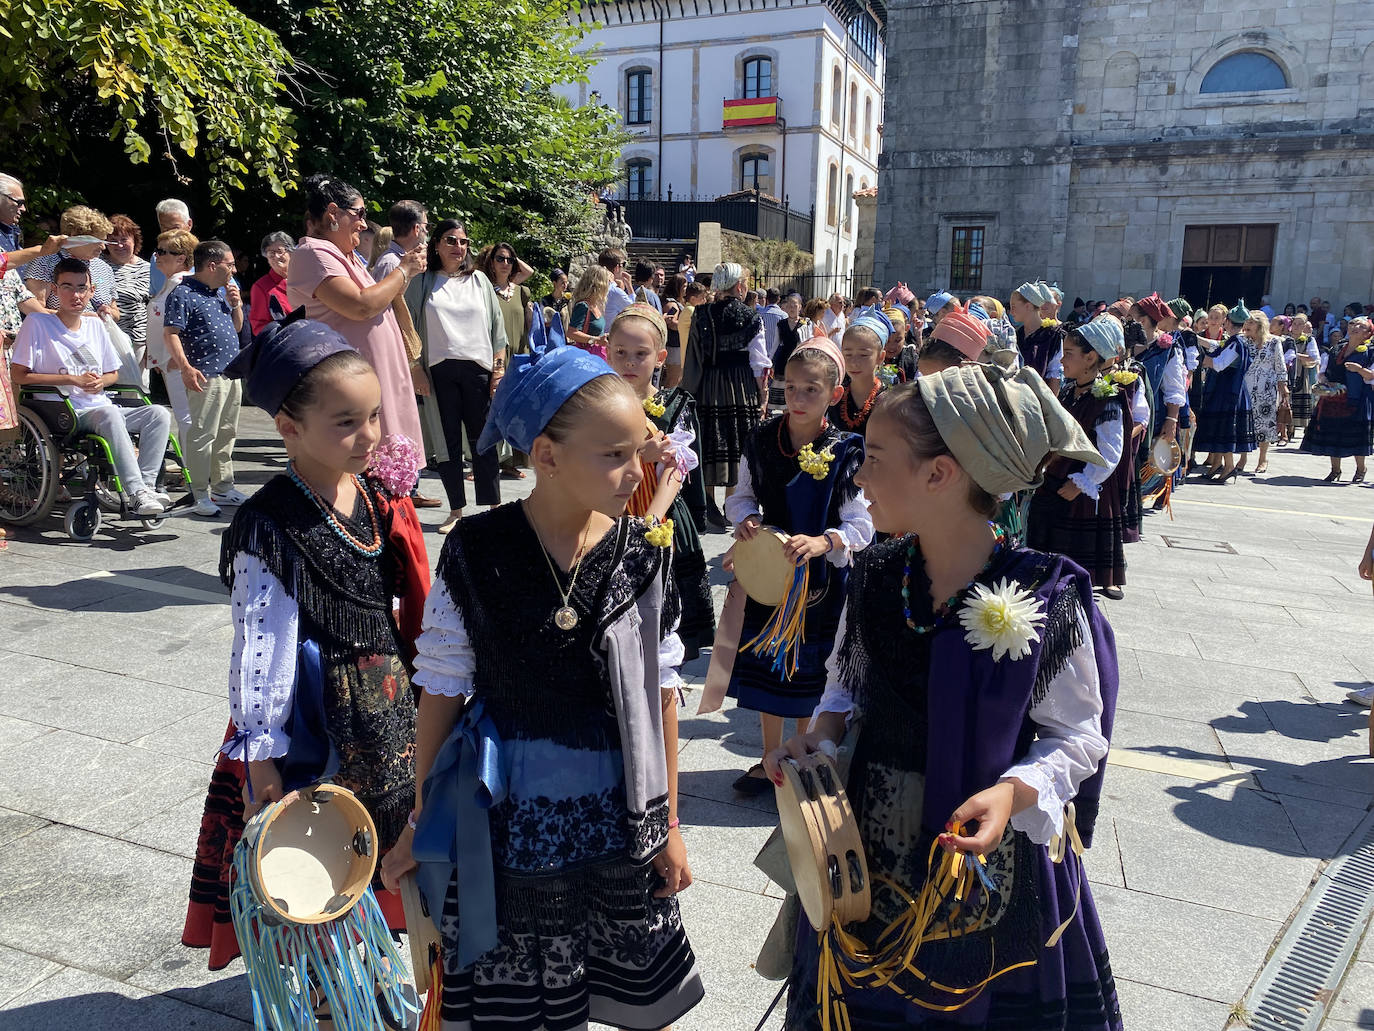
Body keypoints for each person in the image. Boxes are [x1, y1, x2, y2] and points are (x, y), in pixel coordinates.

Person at [764, 361, 1120, 1031]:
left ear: (939, 473)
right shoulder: (875, 574)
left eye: (872, 457)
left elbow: (1077, 735)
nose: (859, 476)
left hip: (986, 859)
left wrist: (1012, 792)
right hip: (869, 854)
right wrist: (822, 734)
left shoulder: (1044, 593)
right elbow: (847, 684)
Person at [381, 344, 704, 1030]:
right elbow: (440, 689)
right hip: (508, 811)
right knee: (518, 997)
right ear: (547, 456)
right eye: (612, 454)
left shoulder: (641, 554)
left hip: (615, 810)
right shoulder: (479, 548)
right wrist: (419, 817)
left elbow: (660, 698)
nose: (633, 471)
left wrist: (670, 824)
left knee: (607, 973)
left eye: (637, 451)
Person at [181, 315, 430, 977]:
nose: (368, 434)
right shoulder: (269, 522)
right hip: (317, 715)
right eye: (346, 421)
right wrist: (262, 755)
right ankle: (324, 989)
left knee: (384, 835)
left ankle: (371, 958)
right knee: (321, 844)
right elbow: (261, 639)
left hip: (386, 701)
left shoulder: (375, 494)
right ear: (289, 427)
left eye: (374, 416)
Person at [719, 338, 872, 794]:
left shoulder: (846, 450)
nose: (798, 398)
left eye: (811, 390)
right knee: (771, 667)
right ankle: (769, 758)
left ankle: (802, 758)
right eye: (791, 387)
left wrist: (825, 540)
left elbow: (861, 522)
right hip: (771, 578)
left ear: (835, 395)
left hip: (820, 582)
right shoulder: (763, 439)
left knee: (808, 673)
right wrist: (746, 518)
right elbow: (743, 493)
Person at [9, 257, 173, 515]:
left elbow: (112, 373)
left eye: (81, 287)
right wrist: (71, 379)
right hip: (61, 411)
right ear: (54, 289)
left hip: (100, 406)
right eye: (67, 287)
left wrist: (101, 381)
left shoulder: (96, 325)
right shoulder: (38, 324)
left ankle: (146, 487)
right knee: (108, 414)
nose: (75, 294)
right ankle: (136, 491)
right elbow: (19, 375)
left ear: (91, 291)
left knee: (159, 414)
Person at [286, 174, 427, 474]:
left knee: (389, 481)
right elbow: (361, 305)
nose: (364, 224)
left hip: (376, 380)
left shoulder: (346, 256)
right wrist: (404, 269)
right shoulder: (312, 252)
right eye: (360, 214)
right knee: (366, 479)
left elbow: (376, 301)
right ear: (333, 214)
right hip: (350, 385)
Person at [606, 303, 715, 658]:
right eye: (621, 352)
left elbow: (676, 468)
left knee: (662, 624)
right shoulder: (596, 402)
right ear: (607, 348)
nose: (630, 362)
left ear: (660, 357)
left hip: (659, 519)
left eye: (641, 353)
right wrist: (639, 454)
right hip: (607, 515)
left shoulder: (675, 405)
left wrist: (651, 521)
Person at [403, 218, 508, 534]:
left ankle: (493, 508)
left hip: (479, 370)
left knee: (483, 440)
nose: (458, 247)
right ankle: (456, 511)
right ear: (436, 244)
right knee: (446, 443)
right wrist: (416, 368)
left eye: (462, 241)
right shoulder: (423, 282)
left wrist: (498, 371)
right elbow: (406, 327)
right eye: (450, 240)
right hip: (439, 371)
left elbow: (497, 330)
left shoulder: (479, 281)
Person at [1027, 317, 1133, 598]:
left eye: (1069, 354)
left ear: (1091, 358)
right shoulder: (1069, 391)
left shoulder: (1106, 398)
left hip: (1077, 487)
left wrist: (1083, 482)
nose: (1062, 360)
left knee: (1075, 550)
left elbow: (1111, 451)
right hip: (1055, 479)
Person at [163, 240, 246, 517]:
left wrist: (236, 305)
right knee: (203, 434)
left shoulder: (218, 292)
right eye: (230, 264)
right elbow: (171, 333)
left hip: (230, 372)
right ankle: (199, 493)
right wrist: (185, 367)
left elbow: (235, 328)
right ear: (212, 265)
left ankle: (223, 487)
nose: (233, 269)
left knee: (226, 433)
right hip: (205, 374)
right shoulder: (183, 293)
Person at [683, 262, 771, 508]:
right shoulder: (751, 316)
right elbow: (759, 361)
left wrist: (690, 389)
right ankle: (732, 501)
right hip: (741, 385)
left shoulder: (701, 314)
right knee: (738, 440)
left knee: (711, 437)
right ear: (740, 286)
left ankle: (709, 500)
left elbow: (694, 357)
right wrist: (762, 395)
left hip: (709, 384)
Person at [1303, 315, 1374, 482]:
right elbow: (1324, 371)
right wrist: (1324, 382)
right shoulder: (1337, 348)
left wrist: (1359, 369)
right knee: (1333, 433)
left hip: (1357, 398)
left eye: (1361, 326)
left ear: (1367, 334)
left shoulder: (1370, 351)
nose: (1355, 327)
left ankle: (1360, 469)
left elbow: (1371, 376)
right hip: (1334, 397)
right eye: (1353, 324)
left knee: (1355, 435)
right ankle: (1335, 470)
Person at [1193, 301, 1257, 483]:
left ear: (1228, 322)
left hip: (1228, 390)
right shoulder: (1235, 341)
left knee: (1225, 427)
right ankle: (1217, 464)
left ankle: (1229, 466)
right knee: (1221, 426)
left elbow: (1220, 364)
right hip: (1226, 388)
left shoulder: (1237, 343)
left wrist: (1202, 358)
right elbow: (1217, 347)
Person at [144, 229, 199, 430]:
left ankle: (191, 461)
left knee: (187, 419)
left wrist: (179, 360)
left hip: (178, 362)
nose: (156, 255)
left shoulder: (182, 284)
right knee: (185, 418)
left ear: (181, 258)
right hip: (170, 361)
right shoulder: (172, 283)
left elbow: (188, 325)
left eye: (162, 251)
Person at [24, 207, 119, 319]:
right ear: (76, 238)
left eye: (104, 241)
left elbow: (116, 312)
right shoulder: (45, 261)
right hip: (59, 333)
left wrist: (109, 313)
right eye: (98, 241)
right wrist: (79, 319)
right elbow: (35, 310)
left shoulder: (104, 268)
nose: (103, 247)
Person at [101, 215, 150, 376]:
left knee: (137, 390)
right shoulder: (98, 265)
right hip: (108, 337)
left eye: (124, 239)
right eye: (113, 240)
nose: (119, 245)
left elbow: (155, 306)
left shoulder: (149, 269)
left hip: (139, 340)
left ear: (135, 240)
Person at [830, 307, 891, 435]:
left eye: (863, 355)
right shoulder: (834, 397)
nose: (854, 363)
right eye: (848, 354)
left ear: (880, 357)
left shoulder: (889, 401)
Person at [1241, 310, 1289, 474]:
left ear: (1260, 325)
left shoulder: (1274, 342)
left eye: (1251, 323)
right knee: (1246, 422)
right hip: (1246, 386)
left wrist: (1283, 386)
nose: (1247, 325)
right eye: (1246, 322)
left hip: (1266, 388)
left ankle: (1263, 458)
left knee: (1265, 423)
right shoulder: (1243, 341)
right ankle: (1243, 458)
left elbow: (1280, 365)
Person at [1010, 280, 1063, 390]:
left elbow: (1055, 375)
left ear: (1028, 306)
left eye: (1014, 306)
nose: (1011, 312)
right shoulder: (1016, 335)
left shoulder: (1052, 335)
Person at [248, 232, 295, 336]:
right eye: (271, 253)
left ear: (291, 252)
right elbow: (258, 326)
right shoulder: (260, 287)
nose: (276, 256)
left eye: (280, 251)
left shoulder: (304, 278)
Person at [372, 199, 428, 282]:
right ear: (417, 229)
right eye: (426, 227)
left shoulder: (401, 261)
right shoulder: (391, 263)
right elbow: (385, 295)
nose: (427, 231)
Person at [567, 264, 611, 357]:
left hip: (598, 354)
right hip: (587, 356)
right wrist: (596, 340)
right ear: (599, 284)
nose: (609, 285)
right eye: (607, 281)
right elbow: (571, 333)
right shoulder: (583, 306)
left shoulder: (595, 305)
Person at [1288, 313, 1320, 431]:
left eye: (1300, 324)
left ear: (1305, 326)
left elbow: (1314, 358)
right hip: (1286, 372)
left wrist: (1296, 355)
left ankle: (1296, 428)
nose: (1296, 326)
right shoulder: (1286, 338)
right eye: (1294, 323)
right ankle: (1285, 430)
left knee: (1298, 399)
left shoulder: (1309, 340)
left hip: (1301, 373)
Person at [600, 247, 636, 325]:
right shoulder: (615, 291)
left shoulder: (594, 287)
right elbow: (635, 309)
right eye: (623, 264)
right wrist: (629, 286)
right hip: (609, 335)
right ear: (617, 267)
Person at [0, 172, 24, 253]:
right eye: (19, 203)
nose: (23, 209)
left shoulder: (14, 232)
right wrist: (40, 251)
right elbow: (3, 262)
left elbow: (21, 265)